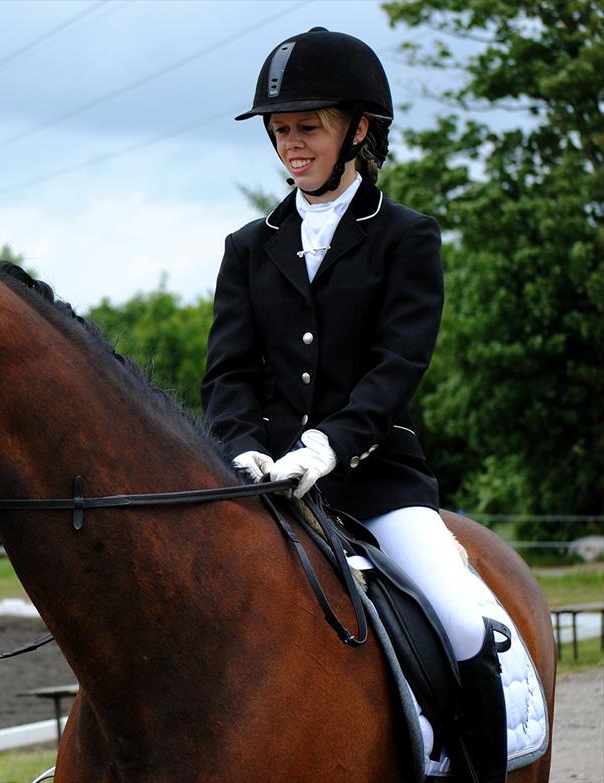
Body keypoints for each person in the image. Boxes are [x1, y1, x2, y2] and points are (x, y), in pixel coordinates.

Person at [200, 27, 508, 783]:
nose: (291, 146)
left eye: (307, 127)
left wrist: (328, 446)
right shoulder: (249, 245)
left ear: (359, 129)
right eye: (280, 131)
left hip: (377, 485)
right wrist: (240, 445)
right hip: (265, 484)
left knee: (464, 622)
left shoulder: (406, 237)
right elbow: (228, 373)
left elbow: (396, 368)